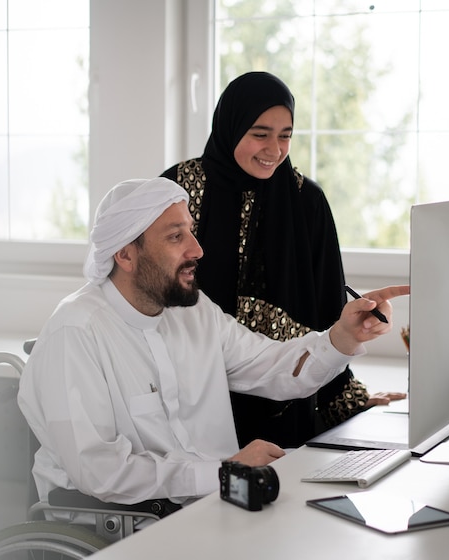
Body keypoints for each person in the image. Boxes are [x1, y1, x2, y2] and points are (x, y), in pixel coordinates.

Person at [17, 176, 408, 506]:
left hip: (213, 503)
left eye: (190, 231)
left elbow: (273, 368)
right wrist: (222, 473)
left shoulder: (193, 311)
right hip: (122, 524)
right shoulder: (76, 333)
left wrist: (342, 336)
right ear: (125, 254)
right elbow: (99, 471)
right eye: (175, 237)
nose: (197, 250)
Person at [160, 71, 406, 449]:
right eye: (260, 133)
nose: (274, 149)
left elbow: (327, 307)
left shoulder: (306, 201)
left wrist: (350, 401)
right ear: (231, 125)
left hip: (286, 399)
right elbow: (151, 291)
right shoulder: (177, 189)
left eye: (286, 135)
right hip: (188, 395)